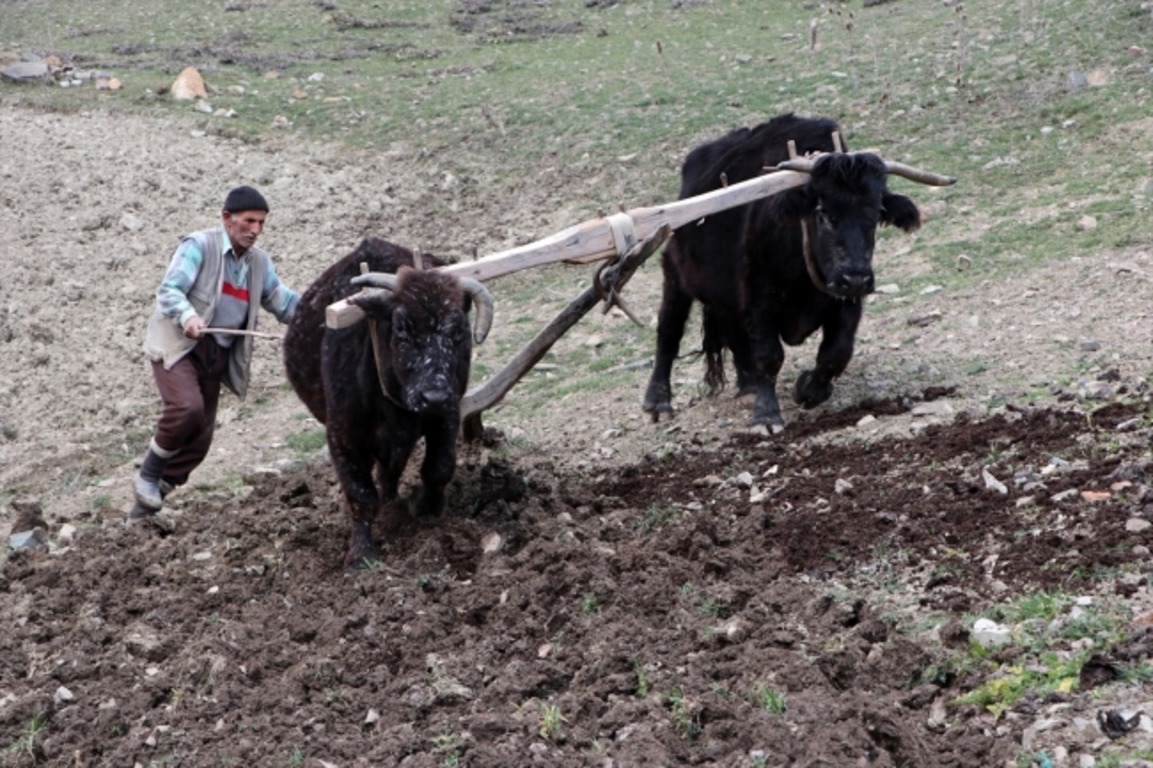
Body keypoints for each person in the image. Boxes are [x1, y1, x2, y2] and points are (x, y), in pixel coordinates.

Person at [129, 185, 300, 521]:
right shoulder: (199, 246)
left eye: (262, 223)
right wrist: (188, 316)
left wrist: (317, 312)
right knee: (187, 408)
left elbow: (281, 300)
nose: (256, 230)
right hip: (181, 345)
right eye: (249, 221)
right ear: (227, 218)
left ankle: (144, 508)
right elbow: (170, 289)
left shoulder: (259, 264)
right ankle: (147, 475)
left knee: (200, 441)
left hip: (215, 356)